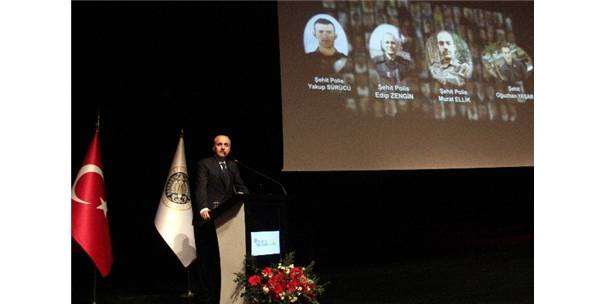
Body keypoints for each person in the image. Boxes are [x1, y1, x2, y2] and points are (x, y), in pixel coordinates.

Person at [192, 134, 249, 304]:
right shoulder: (205, 164)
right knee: (208, 260)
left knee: (223, 260)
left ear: (230, 148)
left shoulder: (232, 166)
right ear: (213, 147)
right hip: (208, 218)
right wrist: (203, 207)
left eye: (226, 145)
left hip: (227, 219)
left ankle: (224, 293)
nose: (223, 147)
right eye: (219, 144)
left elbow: (241, 186)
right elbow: (200, 188)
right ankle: (207, 294)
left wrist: (245, 195)